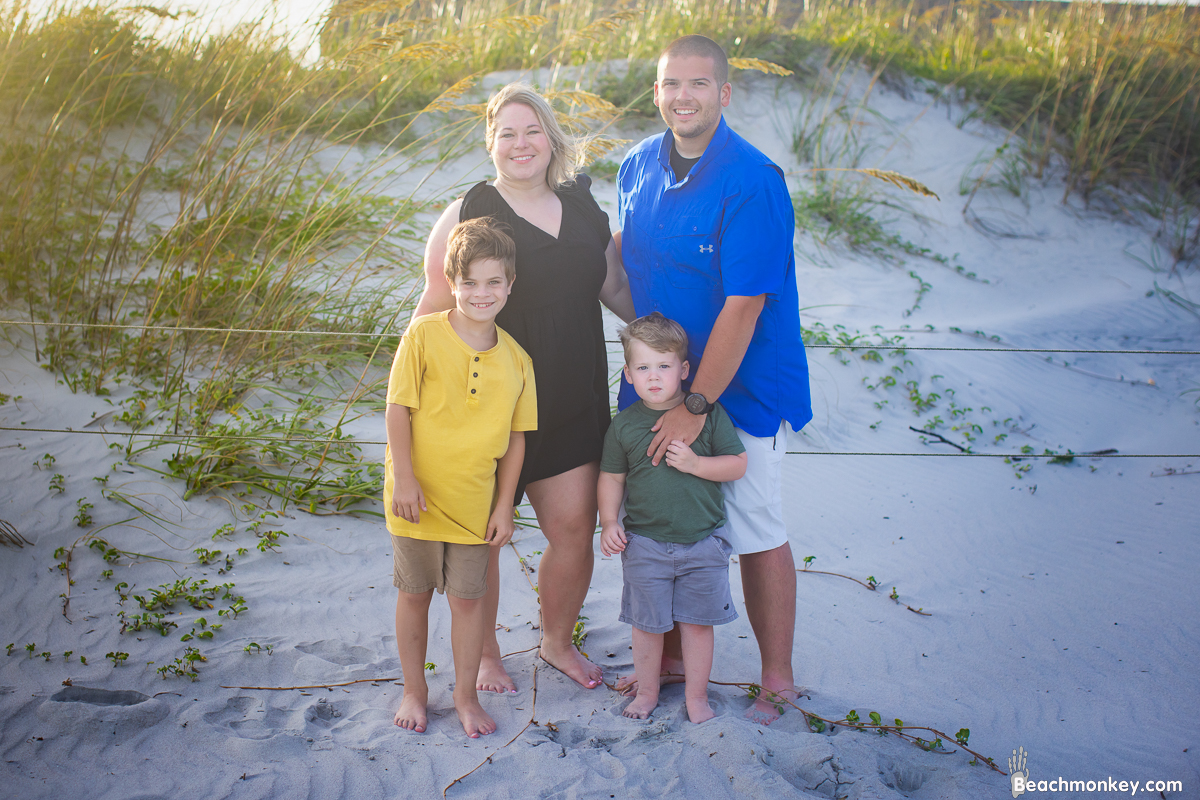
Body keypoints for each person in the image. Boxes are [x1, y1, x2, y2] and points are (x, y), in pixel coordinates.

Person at [614, 35, 813, 725]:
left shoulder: (752, 180)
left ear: (724, 94)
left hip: (741, 393)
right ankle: (668, 662)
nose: (682, 97)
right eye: (671, 84)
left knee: (755, 527)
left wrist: (698, 406)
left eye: (698, 84)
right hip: (658, 391)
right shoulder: (636, 166)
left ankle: (778, 677)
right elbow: (632, 281)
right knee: (661, 525)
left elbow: (744, 306)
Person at [414, 83, 635, 693]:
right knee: (484, 536)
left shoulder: (584, 205)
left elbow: (613, 284)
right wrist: (416, 397)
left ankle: (556, 642)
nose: (521, 144)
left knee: (573, 529)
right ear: (491, 143)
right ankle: (485, 655)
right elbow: (433, 305)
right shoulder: (471, 210)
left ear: (552, 137)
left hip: (571, 398)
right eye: (506, 133)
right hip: (489, 406)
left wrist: (670, 340)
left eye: (532, 130)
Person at [385, 217, 536, 738]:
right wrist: (404, 479)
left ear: (511, 286)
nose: (481, 293)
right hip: (417, 498)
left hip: (476, 502)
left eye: (494, 282)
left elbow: (517, 439)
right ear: (452, 282)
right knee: (415, 593)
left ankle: (465, 695)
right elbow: (397, 408)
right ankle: (414, 689)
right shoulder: (424, 334)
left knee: (468, 600)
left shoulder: (518, 360)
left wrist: (503, 505)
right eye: (469, 281)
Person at [598, 313, 747, 723]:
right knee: (647, 625)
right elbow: (611, 476)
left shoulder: (708, 417)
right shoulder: (624, 425)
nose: (654, 376)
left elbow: (737, 464)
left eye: (664, 366)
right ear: (628, 374)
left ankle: (696, 697)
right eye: (643, 368)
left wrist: (698, 464)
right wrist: (609, 521)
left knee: (698, 625)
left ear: (683, 370)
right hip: (645, 544)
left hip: (702, 542)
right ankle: (646, 693)